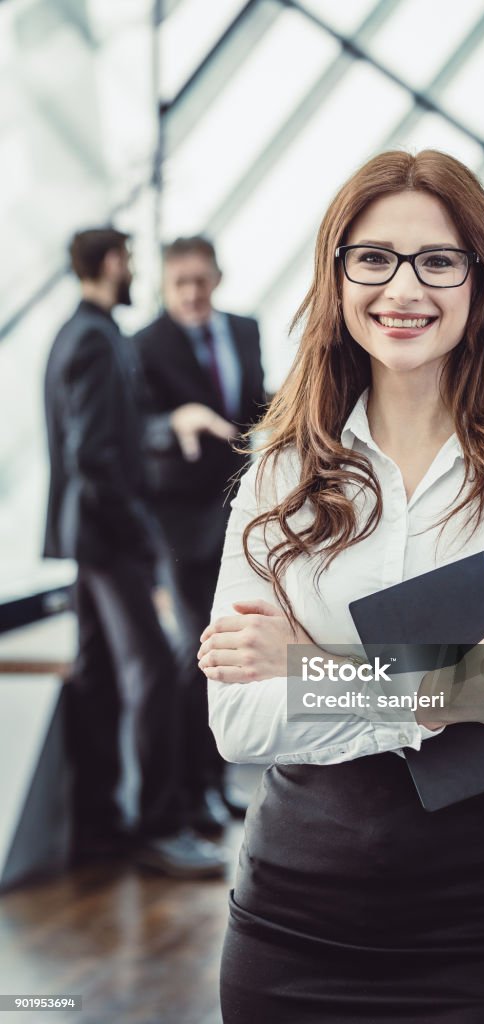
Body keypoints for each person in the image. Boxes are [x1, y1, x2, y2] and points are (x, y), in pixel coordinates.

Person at [198, 152, 484, 1022]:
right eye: (373, 257)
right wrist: (455, 687)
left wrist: (311, 665)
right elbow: (237, 723)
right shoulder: (280, 472)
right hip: (290, 927)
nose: (403, 288)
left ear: (480, 278)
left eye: (437, 260)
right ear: (338, 272)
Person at [43, 227, 227, 878]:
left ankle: (98, 827)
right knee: (152, 669)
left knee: (98, 675)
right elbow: (93, 456)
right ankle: (156, 825)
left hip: (90, 536)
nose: (132, 272)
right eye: (126, 260)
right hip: (107, 535)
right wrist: (141, 539)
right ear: (105, 264)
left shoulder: (84, 333)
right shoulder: (95, 340)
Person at [135, 237, 266, 833]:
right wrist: (171, 424)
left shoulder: (244, 330)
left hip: (241, 521)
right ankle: (189, 797)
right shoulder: (145, 345)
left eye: (199, 280)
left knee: (231, 653)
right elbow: (134, 425)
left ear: (218, 276)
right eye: (179, 283)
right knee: (199, 657)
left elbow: (255, 407)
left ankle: (214, 785)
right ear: (165, 285)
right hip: (182, 529)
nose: (190, 293)